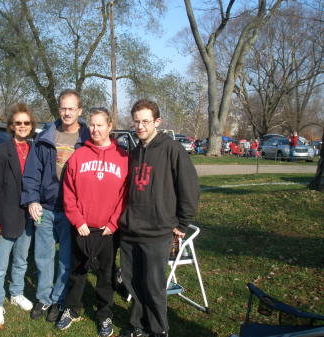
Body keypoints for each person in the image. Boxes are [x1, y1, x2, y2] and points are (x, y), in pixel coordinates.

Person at [118, 99, 200, 337]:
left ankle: (158, 329)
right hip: (131, 230)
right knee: (133, 283)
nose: (140, 126)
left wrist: (182, 224)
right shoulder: (133, 153)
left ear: (157, 122)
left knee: (153, 286)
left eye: (145, 121)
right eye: (137, 121)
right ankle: (138, 326)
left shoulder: (171, 149)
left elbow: (189, 187)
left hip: (157, 231)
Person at [56, 108, 128, 337]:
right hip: (82, 227)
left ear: (109, 126)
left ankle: (104, 314)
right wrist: (78, 220)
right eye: (92, 125)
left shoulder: (123, 157)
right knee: (77, 272)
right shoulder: (78, 156)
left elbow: (125, 196)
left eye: (100, 125)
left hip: (108, 230)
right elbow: (68, 192)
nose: (96, 129)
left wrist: (114, 223)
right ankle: (72, 308)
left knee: (105, 275)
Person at [21, 89, 90, 322]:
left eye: (72, 108)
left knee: (65, 259)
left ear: (79, 111)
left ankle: (59, 299)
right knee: (43, 256)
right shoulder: (45, 137)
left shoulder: (88, 139)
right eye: (63, 108)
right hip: (46, 207)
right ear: (58, 109)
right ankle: (44, 298)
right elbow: (32, 173)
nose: (67, 112)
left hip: (72, 210)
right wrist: (32, 199)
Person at [0, 103, 36, 326]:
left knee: (21, 260)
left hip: (28, 215)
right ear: (11, 126)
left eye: (26, 123)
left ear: (31, 126)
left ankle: (16, 293)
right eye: (18, 123)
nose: (23, 126)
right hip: (6, 216)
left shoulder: (35, 148)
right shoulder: (0, 151)